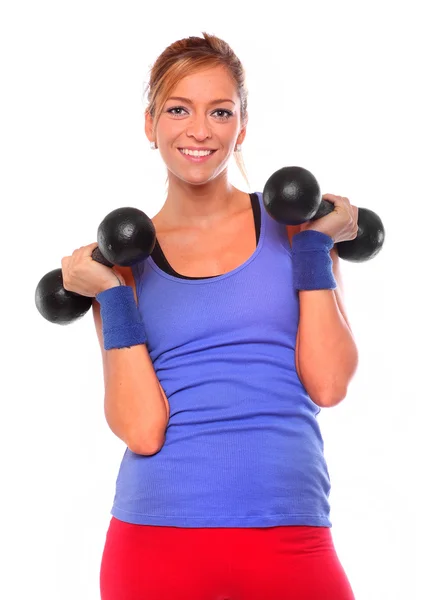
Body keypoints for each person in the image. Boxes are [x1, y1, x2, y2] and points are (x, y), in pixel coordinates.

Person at [61, 32, 359, 600]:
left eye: (219, 111)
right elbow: (142, 431)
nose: (199, 130)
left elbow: (328, 382)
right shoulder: (123, 265)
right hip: (154, 543)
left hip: (291, 536)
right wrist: (114, 299)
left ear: (240, 128)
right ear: (150, 124)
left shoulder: (297, 229)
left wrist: (315, 248)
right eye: (179, 109)